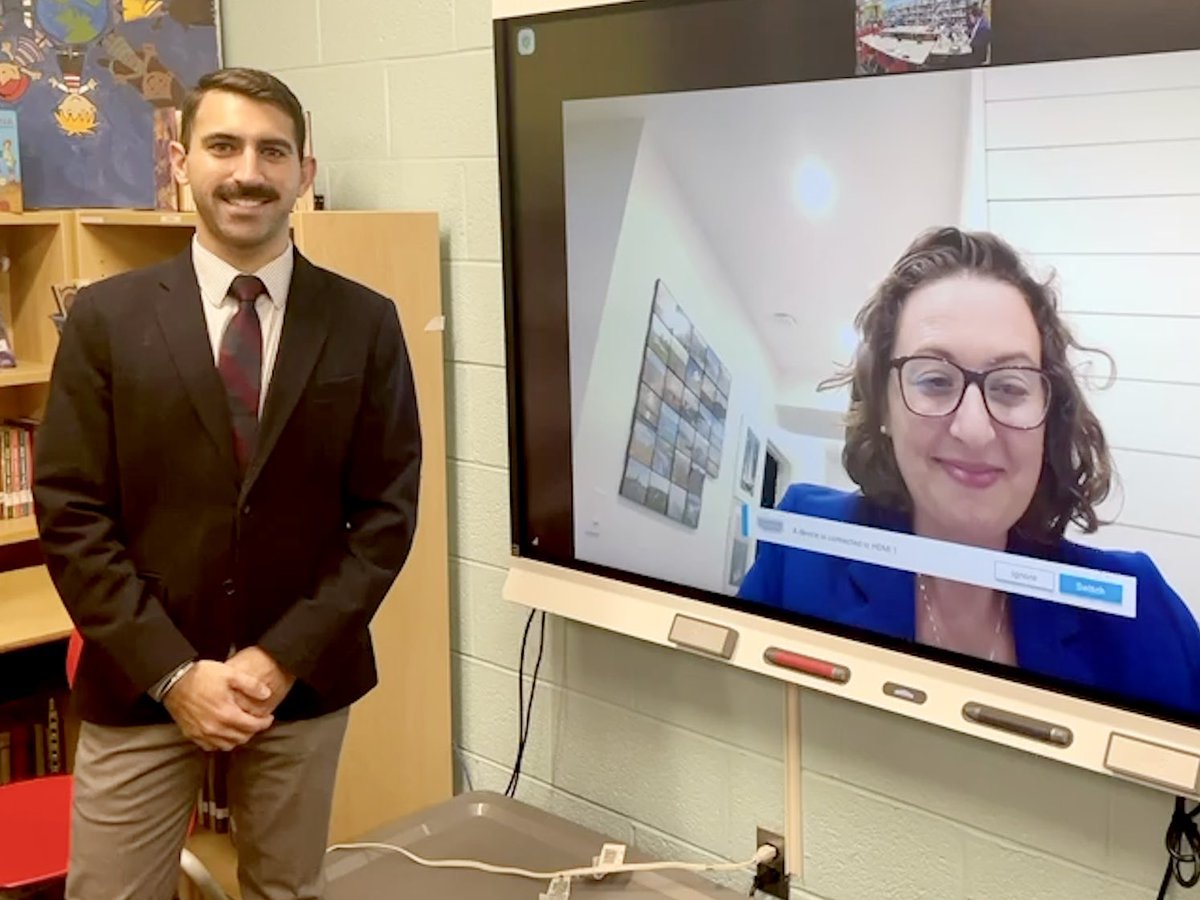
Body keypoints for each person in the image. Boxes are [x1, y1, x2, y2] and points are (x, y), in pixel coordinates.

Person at [33, 68, 422, 899]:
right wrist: (177, 674)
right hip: (142, 677)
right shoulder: (106, 318)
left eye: (272, 151)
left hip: (300, 680)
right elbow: (70, 513)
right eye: (223, 146)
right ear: (181, 162)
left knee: (286, 889)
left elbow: (386, 515)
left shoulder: (366, 320)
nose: (247, 171)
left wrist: (280, 660)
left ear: (303, 175)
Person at [739, 226, 1200, 713]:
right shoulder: (803, 552)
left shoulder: (1139, 612)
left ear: (1049, 416)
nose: (975, 429)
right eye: (935, 380)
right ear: (884, 410)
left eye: (1010, 386)